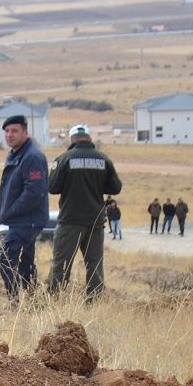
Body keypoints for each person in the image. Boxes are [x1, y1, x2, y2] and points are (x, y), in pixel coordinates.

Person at [47, 124, 122, 299]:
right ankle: (94, 301)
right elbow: (115, 188)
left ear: (72, 139)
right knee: (94, 264)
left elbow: (52, 187)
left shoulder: (64, 159)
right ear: (89, 139)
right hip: (95, 220)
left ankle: (55, 299)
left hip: (70, 220)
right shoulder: (103, 159)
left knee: (62, 263)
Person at [0, 113, 49, 301]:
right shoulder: (16, 153)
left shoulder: (32, 156)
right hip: (21, 219)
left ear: (25, 133)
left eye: (14, 131)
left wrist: (11, 210)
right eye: (7, 131)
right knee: (25, 261)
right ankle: (31, 300)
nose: (9, 135)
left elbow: (34, 192)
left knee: (5, 255)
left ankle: (15, 300)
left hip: (29, 219)